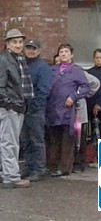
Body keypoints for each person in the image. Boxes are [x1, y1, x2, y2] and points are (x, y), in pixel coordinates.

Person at [46, 43, 90, 177]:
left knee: (67, 139)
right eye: (61, 52)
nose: (63, 54)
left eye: (66, 52)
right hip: (53, 109)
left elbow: (86, 87)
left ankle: (65, 167)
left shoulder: (76, 70)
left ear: (71, 55)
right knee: (54, 138)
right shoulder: (52, 70)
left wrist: (74, 96)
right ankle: (52, 165)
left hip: (67, 110)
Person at [0, 29, 33, 188]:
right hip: (10, 107)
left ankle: (7, 173)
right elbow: (1, 87)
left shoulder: (19, 59)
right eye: (14, 42)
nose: (18, 45)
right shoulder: (4, 60)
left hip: (17, 106)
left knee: (10, 142)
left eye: (20, 42)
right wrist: (10, 104)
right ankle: (11, 177)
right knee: (9, 142)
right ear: (7, 44)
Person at [20, 39, 52, 182]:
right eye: (28, 48)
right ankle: (29, 166)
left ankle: (39, 169)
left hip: (35, 110)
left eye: (33, 48)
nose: (31, 51)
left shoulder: (43, 67)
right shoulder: (22, 65)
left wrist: (34, 106)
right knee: (25, 140)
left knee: (37, 140)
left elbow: (43, 90)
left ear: (38, 50)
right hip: (21, 109)